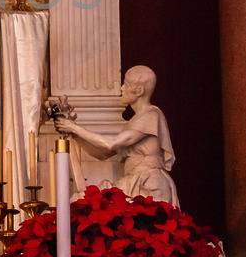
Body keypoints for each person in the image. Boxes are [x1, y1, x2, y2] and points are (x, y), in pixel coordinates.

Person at [55, 64, 179, 205]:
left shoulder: (152, 114)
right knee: (83, 201)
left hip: (148, 184)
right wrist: (74, 133)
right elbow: (102, 153)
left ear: (138, 90)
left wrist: (75, 128)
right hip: (133, 181)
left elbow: (111, 143)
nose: (121, 88)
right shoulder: (133, 123)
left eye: (125, 84)